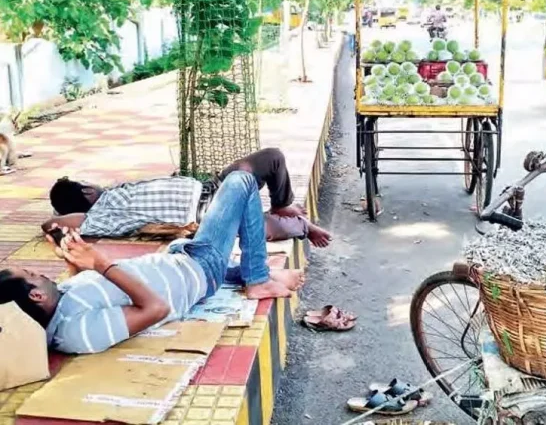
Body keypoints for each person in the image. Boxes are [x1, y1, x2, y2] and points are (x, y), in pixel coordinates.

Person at [0, 171, 304, 354]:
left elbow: (92, 289)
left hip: (179, 259)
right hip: (198, 271)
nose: (39, 272)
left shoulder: (60, 303)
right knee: (242, 181)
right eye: (32, 274)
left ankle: (252, 274)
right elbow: (156, 309)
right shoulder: (75, 332)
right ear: (35, 296)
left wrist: (74, 261)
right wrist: (101, 263)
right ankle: (258, 279)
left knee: (230, 224)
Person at [44, 148, 332, 248]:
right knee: (258, 226)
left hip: (211, 186)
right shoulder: (100, 215)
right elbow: (52, 223)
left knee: (272, 157)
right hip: (206, 215)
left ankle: (282, 204)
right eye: (87, 184)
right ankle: (302, 227)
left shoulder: (119, 191)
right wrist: (60, 218)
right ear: (86, 192)